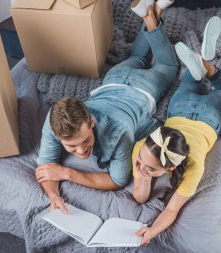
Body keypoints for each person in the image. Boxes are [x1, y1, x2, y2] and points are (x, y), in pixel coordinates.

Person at [35, 0, 177, 213]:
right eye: (71, 147)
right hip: (115, 78)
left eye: (85, 141)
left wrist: (67, 173)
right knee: (137, 57)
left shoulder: (120, 133)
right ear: (57, 134)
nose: (81, 151)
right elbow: (46, 167)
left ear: (90, 121)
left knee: (170, 65)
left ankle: (151, 16)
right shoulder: (54, 120)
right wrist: (54, 195)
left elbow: (117, 180)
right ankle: (150, 13)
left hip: (145, 87)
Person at [131, 16, 221, 245]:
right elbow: (141, 198)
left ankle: (202, 64)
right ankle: (205, 64)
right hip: (189, 111)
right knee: (209, 82)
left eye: (147, 166)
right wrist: (146, 172)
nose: (138, 165)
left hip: (201, 113)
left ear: (171, 167)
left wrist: (152, 231)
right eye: (141, 162)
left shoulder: (189, 164)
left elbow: (168, 210)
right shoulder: (144, 148)